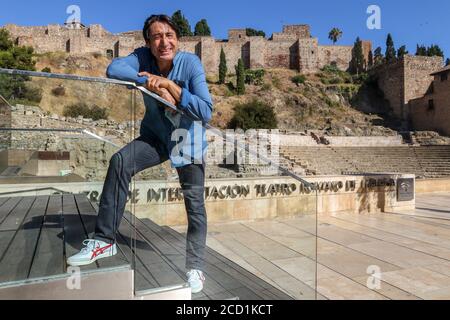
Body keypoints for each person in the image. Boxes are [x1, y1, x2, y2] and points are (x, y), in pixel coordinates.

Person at [66, 14, 213, 294]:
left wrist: (172, 88)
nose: (163, 41)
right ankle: (104, 240)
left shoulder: (190, 63)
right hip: (155, 137)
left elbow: (206, 110)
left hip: (186, 142)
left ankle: (195, 267)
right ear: (148, 41)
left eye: (169, 35)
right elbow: (114, 70)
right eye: (156, 36)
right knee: (120, 161)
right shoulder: (142, 57)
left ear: (177, 39)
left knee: (195, 207)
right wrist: (147, 82)